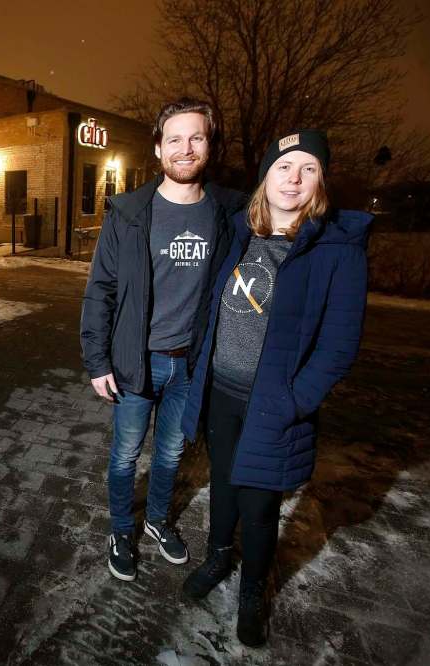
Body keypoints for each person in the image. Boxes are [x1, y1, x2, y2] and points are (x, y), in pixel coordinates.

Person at [179, 130, 371, 647]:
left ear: (321, 182)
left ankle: (252, 589)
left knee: (260, 503)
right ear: (266, 175)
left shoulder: (337, 250)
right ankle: (218, 557)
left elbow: (338, 347)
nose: (295, 178)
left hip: (274, 404)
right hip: (222, 389)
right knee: (222, 480)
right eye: (285, 167)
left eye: (309, 169)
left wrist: (295, 401)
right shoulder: (241, 232)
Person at [80, 98, 246, 582]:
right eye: (174, 138)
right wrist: (97, 360)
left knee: (172, 453)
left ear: (209, 145)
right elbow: (101, 290)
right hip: (136, 362)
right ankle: (121, 529)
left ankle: (155, 521)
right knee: (126, 454)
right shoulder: (129, 214)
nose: (185, 147)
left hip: (190, 365)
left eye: (196, 137)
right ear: (158, 148)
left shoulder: (228, 214)